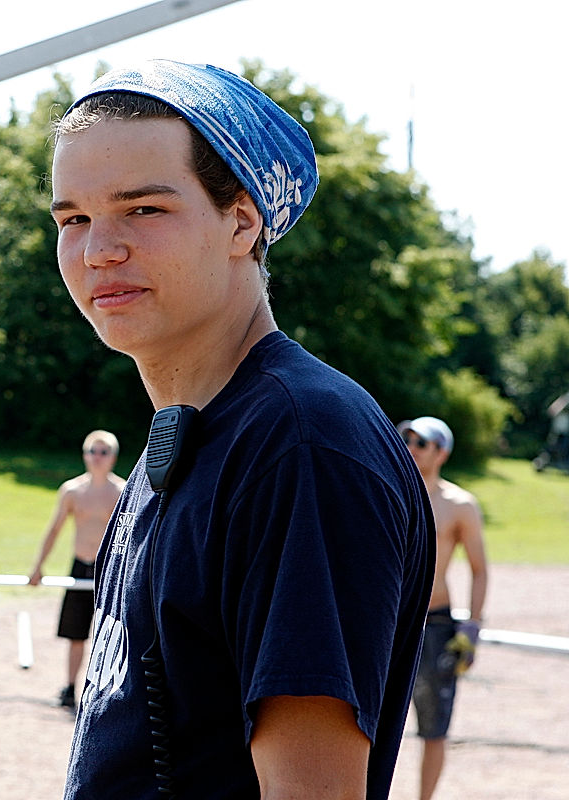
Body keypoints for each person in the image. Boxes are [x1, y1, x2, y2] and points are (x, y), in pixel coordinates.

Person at [49, 59, 434, 799]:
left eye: (144, 209)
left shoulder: (301, 444)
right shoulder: (186, 437)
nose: (99, 249)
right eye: (74, 218)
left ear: (242, 220)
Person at [397, 417, 488, 800]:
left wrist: (471, 631)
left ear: (443, 452)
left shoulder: (459, 505)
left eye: (423, 442)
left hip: (435, 624)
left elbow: (479, 571)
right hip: (391, 620)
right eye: (409, 439)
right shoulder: (390, 490)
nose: (413, 447)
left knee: (434, 726)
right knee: (363, 718)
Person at [27, 430, 126, 710]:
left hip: (109, 570)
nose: (97, 457)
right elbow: (54, 529)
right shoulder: (72, 490)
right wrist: (38, 567)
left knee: (110, 634)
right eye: (92, 451)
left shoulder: (122, 491)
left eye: (103, 452)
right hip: (79, 567)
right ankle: (70, 687)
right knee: (75, 633)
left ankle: (108, 693)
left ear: (113, 457)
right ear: (84, 455)